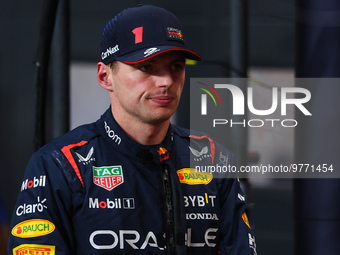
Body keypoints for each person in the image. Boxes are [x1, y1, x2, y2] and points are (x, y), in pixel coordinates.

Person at [8, 4, 257, 255]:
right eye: (146, 67)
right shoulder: (59, 165)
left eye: (176, 67)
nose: (167, 81)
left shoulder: (214, 159)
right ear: (106, 77)